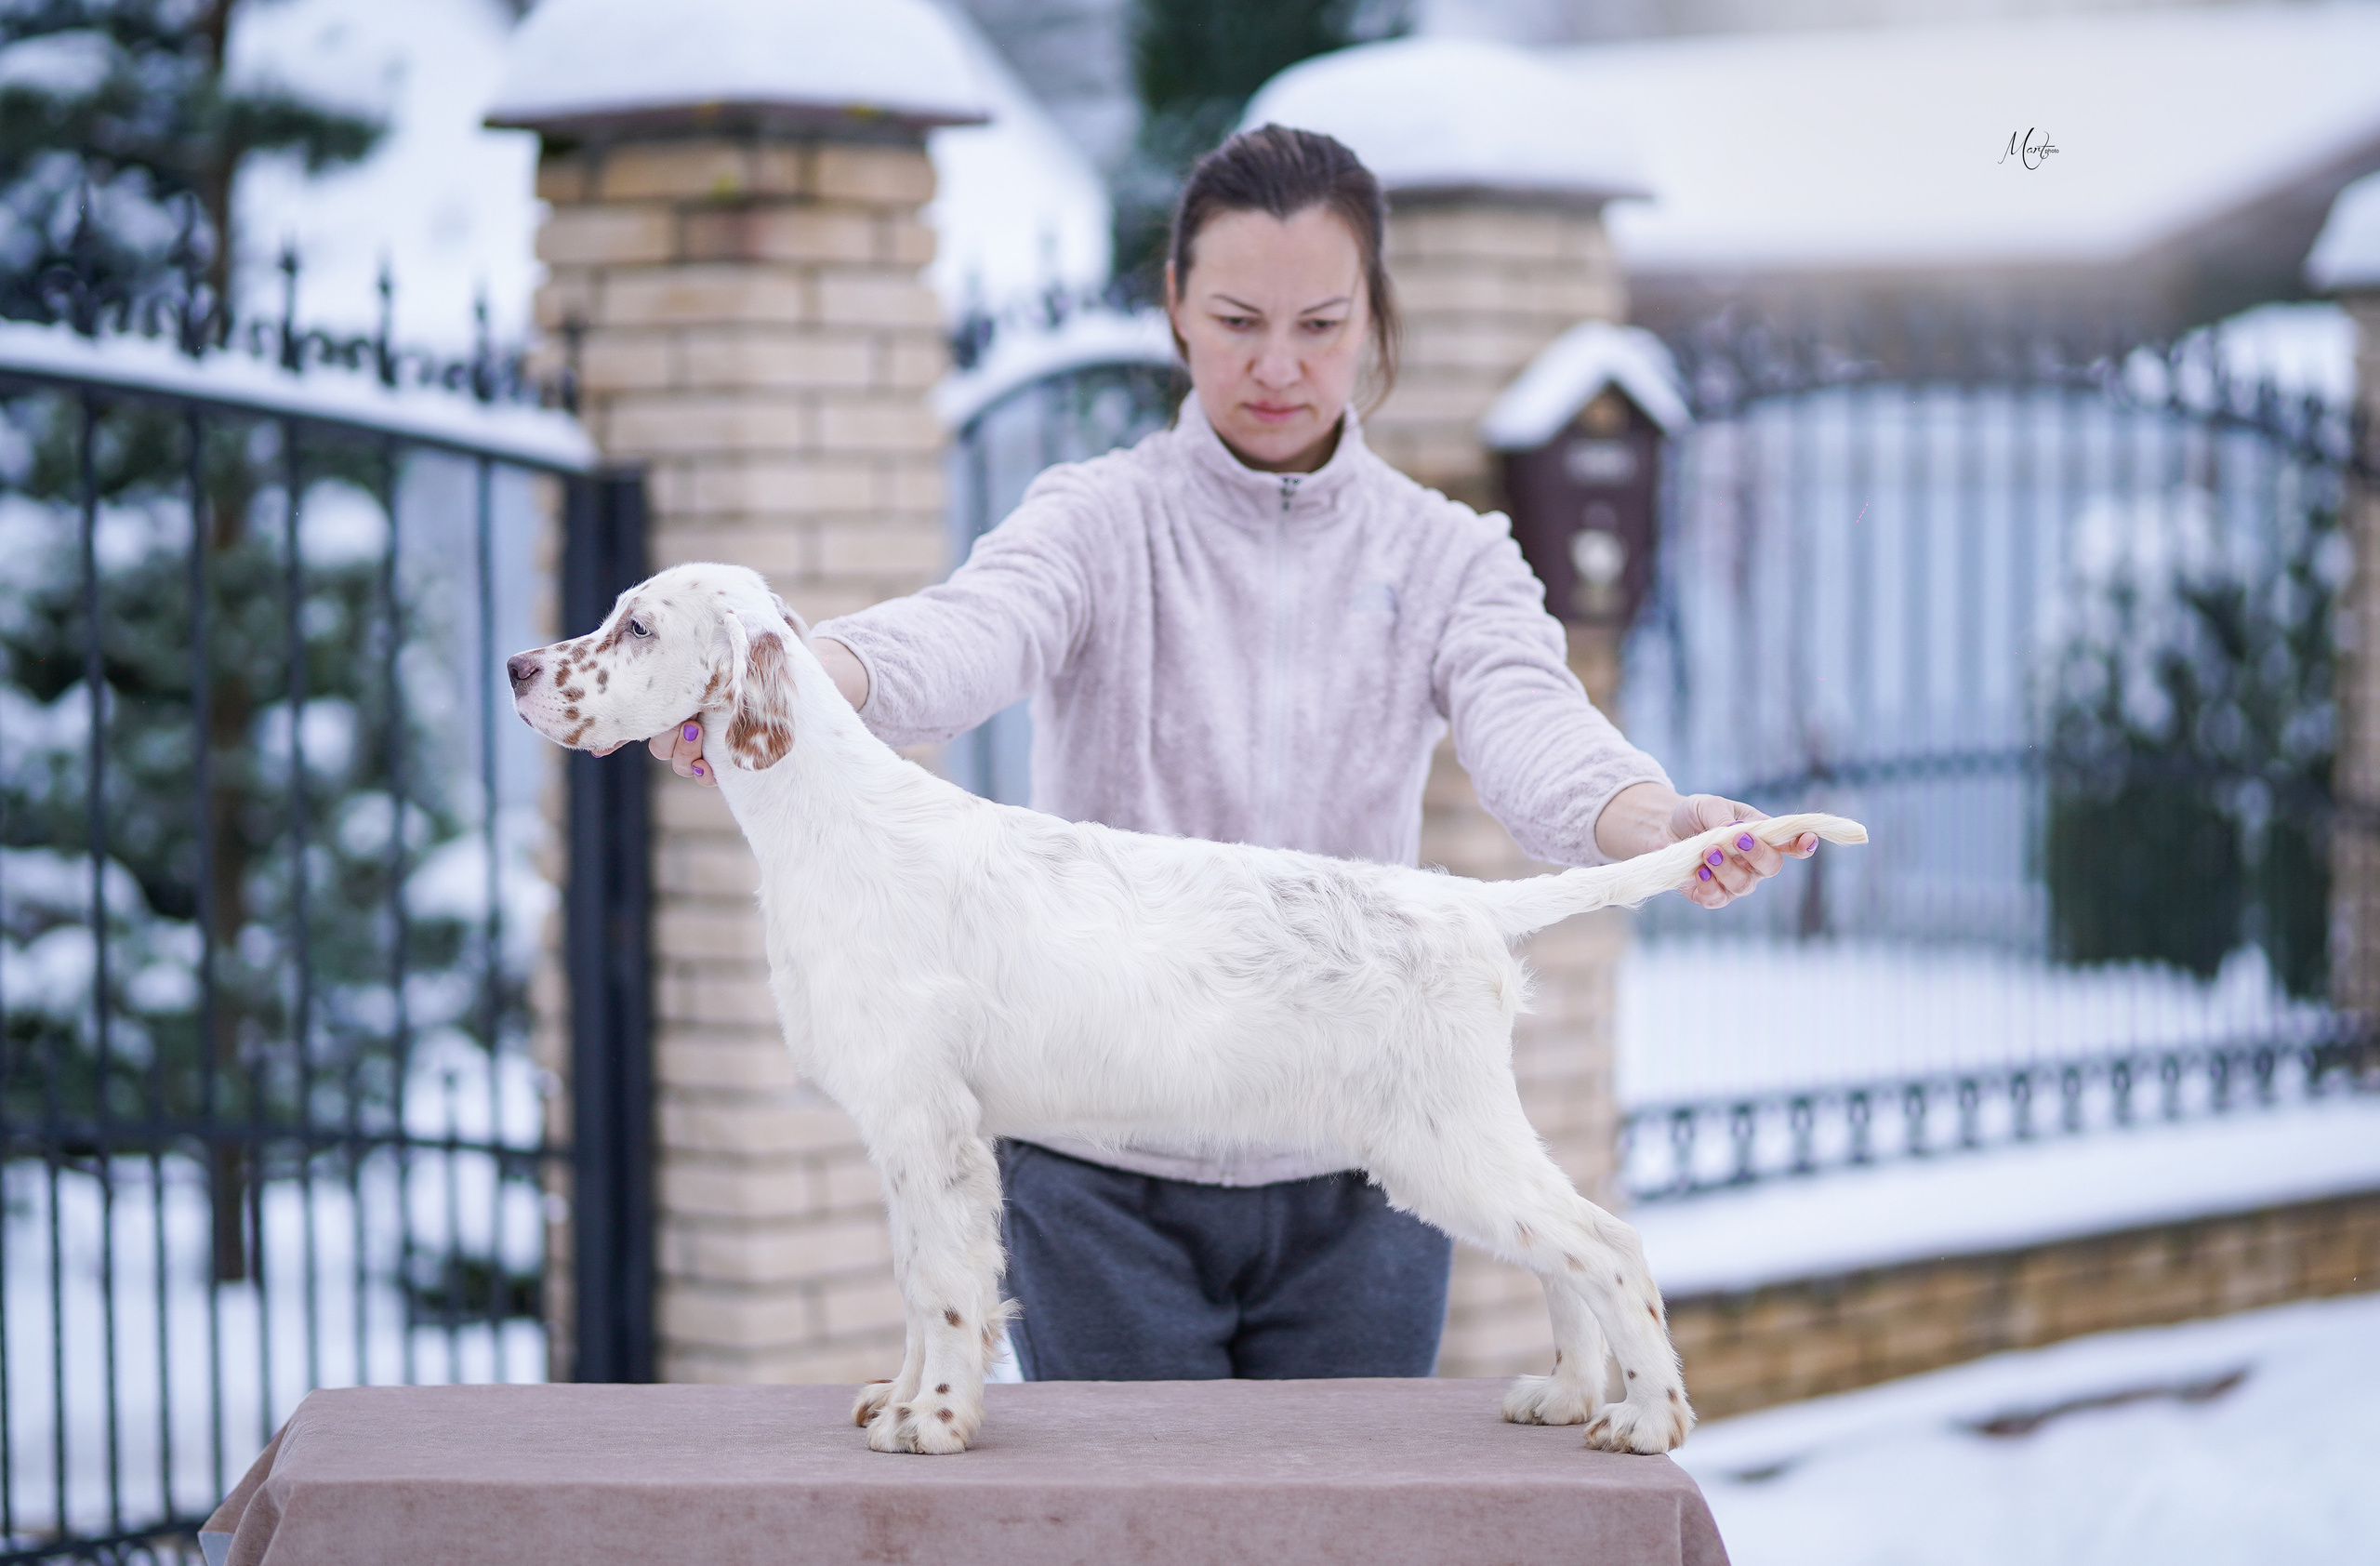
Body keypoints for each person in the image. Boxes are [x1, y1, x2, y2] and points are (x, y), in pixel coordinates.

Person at [650, 125, 1816, 1382]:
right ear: (1175, 311)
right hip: (1103, 1181)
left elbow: (1530, 723)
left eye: (1320, 323)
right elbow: (967, 633)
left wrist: (1650, 819)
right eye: (1238, 318)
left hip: (1359, 1180)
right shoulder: (1099, 521)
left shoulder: (1449, 557)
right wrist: (812, 681)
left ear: (1374, 320)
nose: (1277, 365)